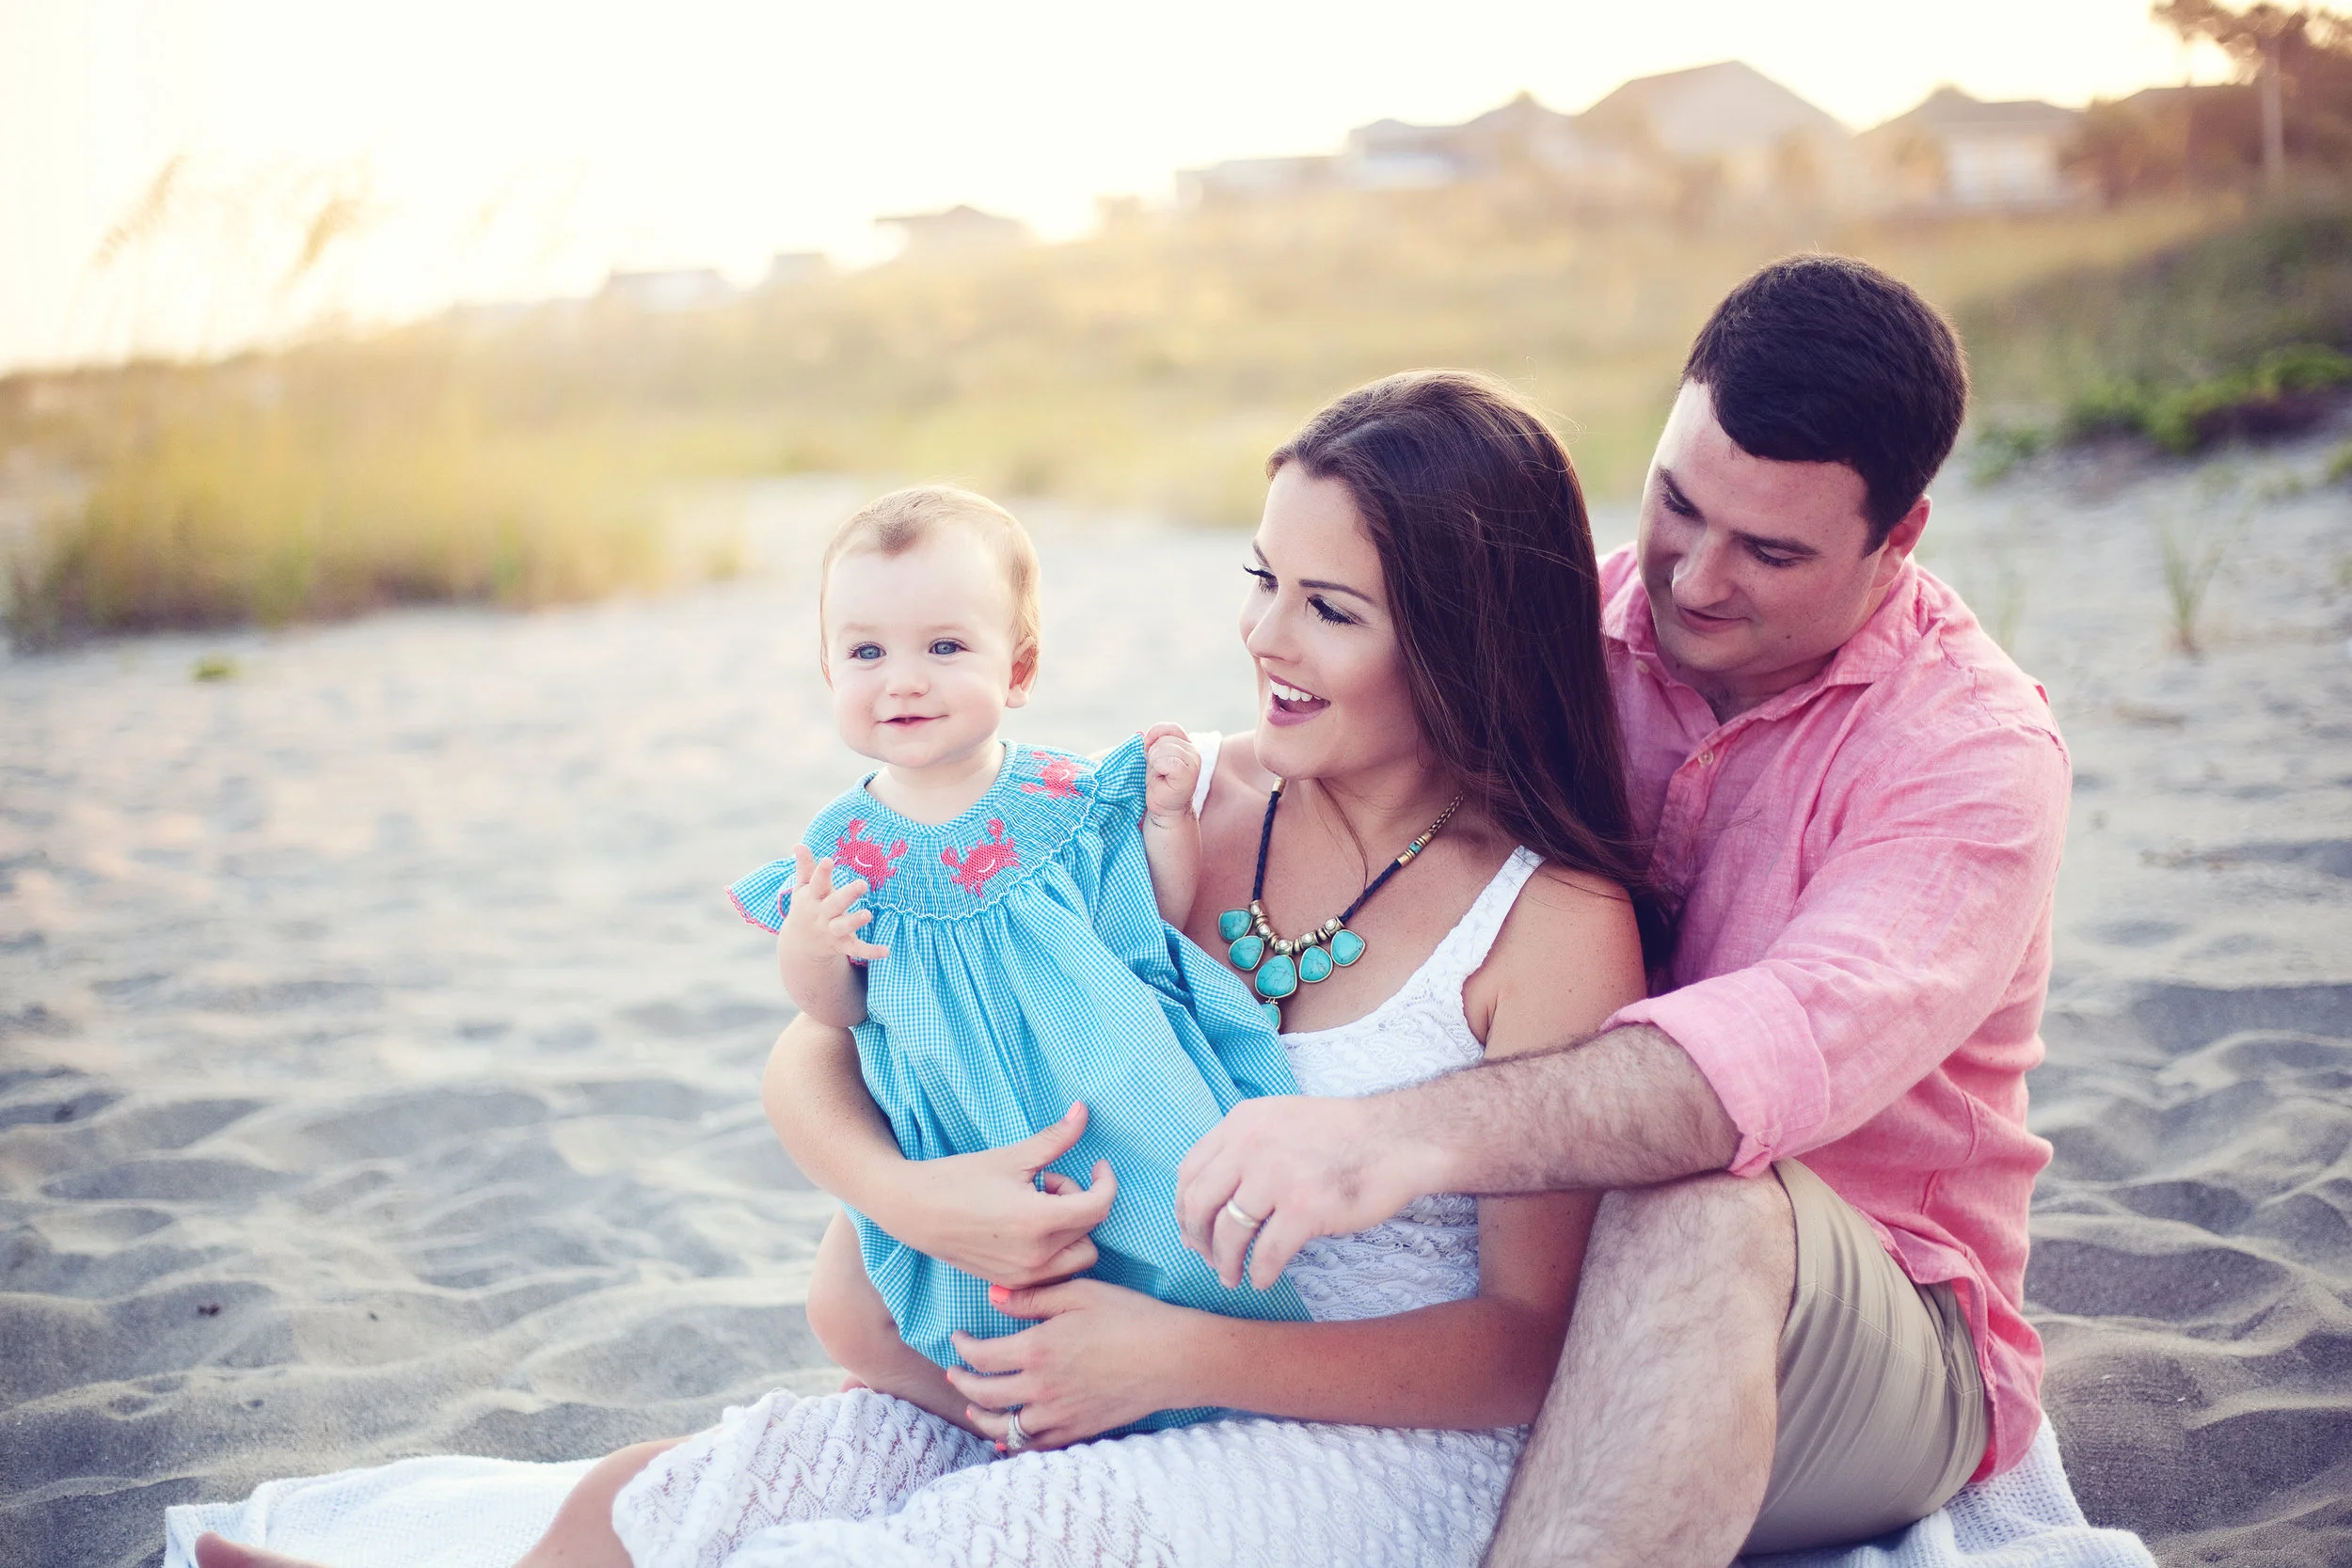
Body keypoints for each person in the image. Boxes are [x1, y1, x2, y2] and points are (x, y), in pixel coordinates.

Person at [193, 368, 1657, 1568]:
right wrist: (909, 1198)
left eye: (1330, 608)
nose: (1264, 636)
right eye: (1264, 576)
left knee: (996, 1537)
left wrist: (1167, 1357)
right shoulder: (1160, 797)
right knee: (745, 1473)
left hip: (1360, 1441)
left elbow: (1526, 1348)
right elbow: (822, 1041)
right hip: (1070, 1354)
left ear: (1464, 639)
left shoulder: (1546, 922)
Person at [1179, 255, 2071, 1566]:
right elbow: (1365, 730)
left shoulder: (1972, 758)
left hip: (1865, 1308)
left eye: (1771, 550)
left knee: (1696, 1200)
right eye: (1676, 504)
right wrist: (1184, 780)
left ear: (1901, 535)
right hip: (1540, 1281)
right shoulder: (1582, 623)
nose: (1697, 578)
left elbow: (1749, 1073)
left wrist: (1386, 1137)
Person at [725, 483, 1312, 1435]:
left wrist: (1165, 822)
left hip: (1102, 1076)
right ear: (828, 669)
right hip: (960, 1117)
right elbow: (833, 1011)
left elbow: (1139, 917)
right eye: (866, 651)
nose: (902, 680)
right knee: (986, 1288)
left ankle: (1196, 1390)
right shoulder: (839, 847)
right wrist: (811, 945)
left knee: (1163, 1233)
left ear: (1020, 668)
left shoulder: (1062, 793)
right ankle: (1006, 1409)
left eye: (945, 647)